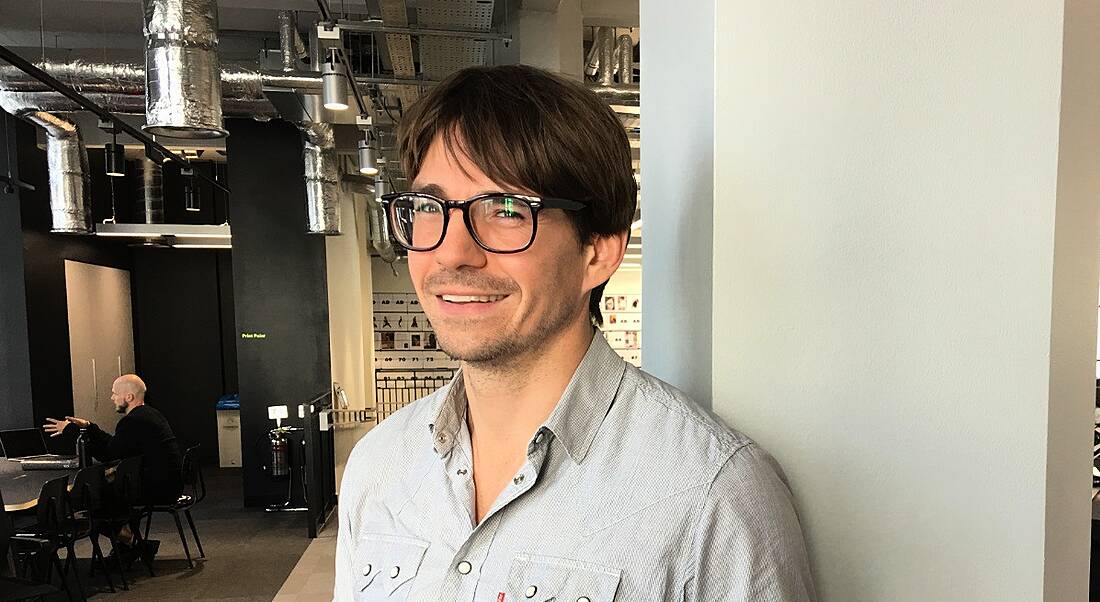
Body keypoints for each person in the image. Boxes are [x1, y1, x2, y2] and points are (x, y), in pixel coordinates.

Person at [335, 65, 816, 601]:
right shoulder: (379, 465)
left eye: (508, 210)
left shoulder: (712, 495)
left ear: (598, 251)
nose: (451, 252)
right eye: (429, 208)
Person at [43, 374, 183, 505]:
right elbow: (115, 445)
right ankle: (121, 528)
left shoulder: (133, 421)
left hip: (156, 489)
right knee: (100, 489)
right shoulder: (150, 414)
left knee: (88, 495)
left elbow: (107, 455)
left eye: (115, 393)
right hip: (170, 485)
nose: (112, 398)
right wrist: (88, 427)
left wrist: (70, 430)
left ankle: (119, 530)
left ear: (129, 397)